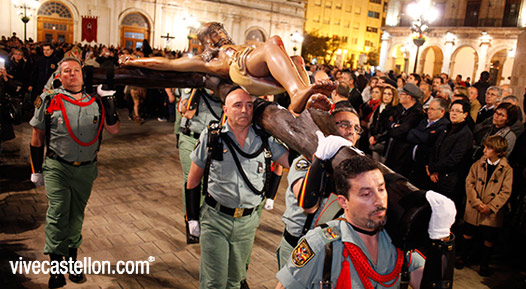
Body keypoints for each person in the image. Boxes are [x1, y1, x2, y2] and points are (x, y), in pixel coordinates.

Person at [276, 153, 456, 289]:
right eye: (366, 194)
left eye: (381, 189)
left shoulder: (396, 241)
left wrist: (442, 238)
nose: (379, 200)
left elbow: (430, 285)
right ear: (343, 202)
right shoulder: (321, 244)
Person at [184, 88, 290, 288]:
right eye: (238, 105)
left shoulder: (264, 138)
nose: (244, 110)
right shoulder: (213, 137)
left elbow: (289, 161)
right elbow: (193, 180)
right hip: (216, 221)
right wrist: (192, 219)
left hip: (247, 223)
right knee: (214, 282)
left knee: (235, 281)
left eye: (249, 105)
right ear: (225, 109)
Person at [28, 58, 119, 288]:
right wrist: (36, 170)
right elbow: (37, 137)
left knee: (76, 217)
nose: (72, 74)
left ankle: (71, 262)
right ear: (59, 76)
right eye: (66, 71)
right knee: (58, 214)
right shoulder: (49, 100)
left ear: (82, 74)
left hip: (86, 169)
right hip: (57, 167)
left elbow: (113, 128)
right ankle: (57, 269)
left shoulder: (94, 102)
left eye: (76, 70)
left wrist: (108, 100)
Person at [120, 22, 335, 114]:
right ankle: (297, 93)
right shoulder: (206, 59)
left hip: (259, 65)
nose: (219, 34)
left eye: (220, 30)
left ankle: (306, 99)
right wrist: (135, 61)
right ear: (206, 41)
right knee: (274, 42)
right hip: (241, 69)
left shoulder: (237, 44)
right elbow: (168, 64)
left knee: (296, 59)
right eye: (213, 33)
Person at [277, 107, 361, 269]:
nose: (352, 131)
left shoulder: (353, 169)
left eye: (356, 128)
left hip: (328, 249)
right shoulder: (305, 162)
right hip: (298, 246)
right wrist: (320, 159)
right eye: (344, 124)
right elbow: (307, 203)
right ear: (328, 129)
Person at [457, 135, 512, 277]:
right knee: (468, 232)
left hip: (491, 210)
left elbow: (505, 191)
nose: (485, 150)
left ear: (499, 151)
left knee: (489, 238)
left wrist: (491, 207)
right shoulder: (477, 164)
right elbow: (469, 183)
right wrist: (476, 202)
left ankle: (484, 264)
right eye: (485, 147)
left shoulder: (506, 169)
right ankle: (463, 257)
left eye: (489, 148)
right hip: (475, 207)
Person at [178, 87, 223, 243]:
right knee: (190, 179)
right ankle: (191, 220)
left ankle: (204, 221)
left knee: (208, 182)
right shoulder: (192, 85)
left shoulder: (225, 88)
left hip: (213, 142)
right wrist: (197, 89)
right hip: (190, 137)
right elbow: (186, 111)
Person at [426, 100, 473, 204]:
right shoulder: (447, 128)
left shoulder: (465, 134)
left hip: (449, 180)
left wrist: (433, 168)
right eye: (452, 110)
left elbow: (454, 159)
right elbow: (435, 148)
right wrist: (431, 168)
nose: (454, 113)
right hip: (436, 175)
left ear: (465, 115)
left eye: (458, 111)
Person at [383, 83, 425, 177]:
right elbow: (386, 122)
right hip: (393, 150)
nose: (399, 96)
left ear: (409, 97)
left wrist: (393, 128)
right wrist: (394, 126)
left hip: (403, 155)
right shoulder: (401, 109)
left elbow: (401, 131)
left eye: (402, 94)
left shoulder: (416, 114)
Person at [407, 98, 450, 189]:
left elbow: (428, 139)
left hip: (425, 167)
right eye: (428, 109)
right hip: (413, 164)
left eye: (432, 109)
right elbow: (410, 135)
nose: (429, 112)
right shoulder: (424, 121)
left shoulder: (444, 126)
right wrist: (422, 136)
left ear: (442, 111)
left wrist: (419, 134)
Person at [368, 86, 398, 163]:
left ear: (393, 96)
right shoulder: (379, 107)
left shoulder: (394, 110)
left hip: (384, 142)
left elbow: (389, 129)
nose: (386, 96)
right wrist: (371, 136)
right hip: (374, 140)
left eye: (389, 94)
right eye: (384, 93)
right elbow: (373, 124)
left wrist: (376, 138)